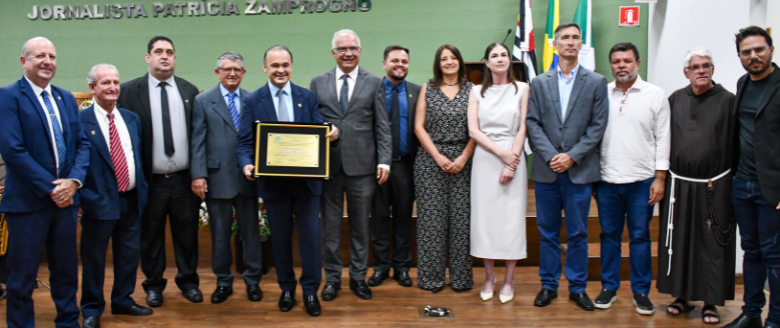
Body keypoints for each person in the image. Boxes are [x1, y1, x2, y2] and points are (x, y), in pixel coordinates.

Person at [238, 45, 339, 316]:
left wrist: (331, 132)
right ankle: (286, 289)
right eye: (274, 65)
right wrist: (247, 163)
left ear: (291, 66)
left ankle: (309, 292)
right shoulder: (252, 100)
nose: (280, 70)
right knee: (280, 241)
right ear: (265, 68)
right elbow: (244, 142)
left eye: (285, 65)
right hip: (274, 186)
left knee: (310, 240)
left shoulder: (307, 97)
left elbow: (319, 130)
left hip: (307, 185)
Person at [0, 36, 90, 328]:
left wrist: (73, 182)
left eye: (51, 56)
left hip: (65, 203)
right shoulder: (8, 97)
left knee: (65, 272)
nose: (47, 61)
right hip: (28, 204)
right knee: (21, 277)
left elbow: (81, 145)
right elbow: (13, 150)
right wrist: (55, 188)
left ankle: (67, 322)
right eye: (39, 56)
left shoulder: (64, 99)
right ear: (24, 61)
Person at [525, 22, 608, 311]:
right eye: (565, 38)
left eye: (575, 38)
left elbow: (598, 127)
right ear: (555, 44)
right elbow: (532, 123)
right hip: (547, 172)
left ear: (580, 44)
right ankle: (549, 285)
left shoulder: (596, 82)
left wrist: (572, 156)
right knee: (547, 232)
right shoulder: (539, 82)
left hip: (579, 171)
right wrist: (551, 155)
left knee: (577, 233)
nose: (570, 42)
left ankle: (577, 287)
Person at [117, 36, 202, 307]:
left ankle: (188, 282)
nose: (164, 56)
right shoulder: (129, 92)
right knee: (150, 236)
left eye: (169, 52)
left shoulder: (190, 91)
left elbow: (198, 137)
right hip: (149, 181)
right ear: (148, 57)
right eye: (158, 52)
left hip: (182, 179)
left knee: (186, 235)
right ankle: (153, 286)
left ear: (175, 58)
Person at [310, 29, 392, 301]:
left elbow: (382, 125)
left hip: (363, 168)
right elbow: (312, 123)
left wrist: (384, 160)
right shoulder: (317, 82)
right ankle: (332, 279)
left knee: (360, 227)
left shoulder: (375, 82)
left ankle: (358, 278)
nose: (348, 53)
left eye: (353, 48)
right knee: (330, 229)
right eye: (342, 48)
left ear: (360, 51)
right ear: (333, 52)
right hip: (328, 169)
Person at [656, 48, 736, 325]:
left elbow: (737, 144)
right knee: (680, 242)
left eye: (706, 66)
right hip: (680, 186)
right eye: (695, 67)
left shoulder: (728, 102)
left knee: (711, 244)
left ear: (712, 70)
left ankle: (710, 301)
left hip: (715, 186)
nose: (701, 70)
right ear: (686, 72)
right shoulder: (675, 99)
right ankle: (682, 296)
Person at [592, 42, 670, 315]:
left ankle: (640, 291)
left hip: (642, 182)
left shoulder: (655, 95)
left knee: (639, 237)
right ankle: (609, 287)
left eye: (626, 60)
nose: (621, 66)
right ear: (610, 65)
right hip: (607, 181)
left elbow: (663, 138)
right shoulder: (602, 93)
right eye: (616, 61)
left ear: (637, 62)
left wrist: (660, 178)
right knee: (609, 236)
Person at [78, 64, 153, 328]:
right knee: (94, 259)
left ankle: (123, 300)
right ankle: (91, 308)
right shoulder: (81, 121)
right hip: (98, 203)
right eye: (105, 83)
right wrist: (84, 199)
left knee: (128, 255)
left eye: (116, 82)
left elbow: (137, 157)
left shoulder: (131, 118)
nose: (112, 88)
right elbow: (77, 163)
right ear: (92, 88)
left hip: (131, 200)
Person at [190, 51, 263, 304]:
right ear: (217, 72)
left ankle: (253, 281)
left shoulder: (253, 99)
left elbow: (259, 139)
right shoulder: (203, 101)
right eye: (227, 69)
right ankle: (223, 282)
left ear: (243, 73)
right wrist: (198, 174)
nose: (232, 73)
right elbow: (197, 141)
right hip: (217, 177)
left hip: (247, 178)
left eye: (237, 69)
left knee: (251, 234)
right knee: (220, 236)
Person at [723, 26, 780, 328]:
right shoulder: (743, 83)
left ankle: (776, 320)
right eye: (747, 52)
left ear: (771, 49)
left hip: (772, 188)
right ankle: (751, 314)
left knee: (775, 257)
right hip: (742, 184)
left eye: (759, 49)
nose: (753, 56)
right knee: (752, 251)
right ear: (740, 56)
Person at [467, 42, 529, 304]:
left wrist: (511, 161)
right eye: (494, 55)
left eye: (504, 54)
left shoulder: (523, 89)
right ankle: (489, 277)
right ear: (487, 63)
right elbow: (474, 130)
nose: (500, 58)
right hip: (485, 157)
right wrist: (500, 154)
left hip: (514, 155)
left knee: (511, 220)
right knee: (486, 220)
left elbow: (524, 127)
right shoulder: (476, 92)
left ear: (509, 61)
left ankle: (508, 279)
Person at [414, 44, 477, 293]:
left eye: (453, 58)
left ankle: (461, 279)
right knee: (432, 222)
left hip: (465, 160)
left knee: (461, 222)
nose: (449, 62)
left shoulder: (473, 90)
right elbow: (419, 127)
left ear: (460, 62)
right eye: (443, 59)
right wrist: (438, 156)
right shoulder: (427, 89)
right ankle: (431, 279)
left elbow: (478, 129)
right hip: (431, 162)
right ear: (437, 64)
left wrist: (463, 157)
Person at [367, 45, 421, 288]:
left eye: (404, 61)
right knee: (378, 218)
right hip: (376, 167)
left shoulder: (418, 93)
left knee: (402, 217)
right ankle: (380, 267)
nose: (400, 65)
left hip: (405, 166)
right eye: (395, 61)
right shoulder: (372, 90)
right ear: (384, 64)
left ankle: (401, 266)